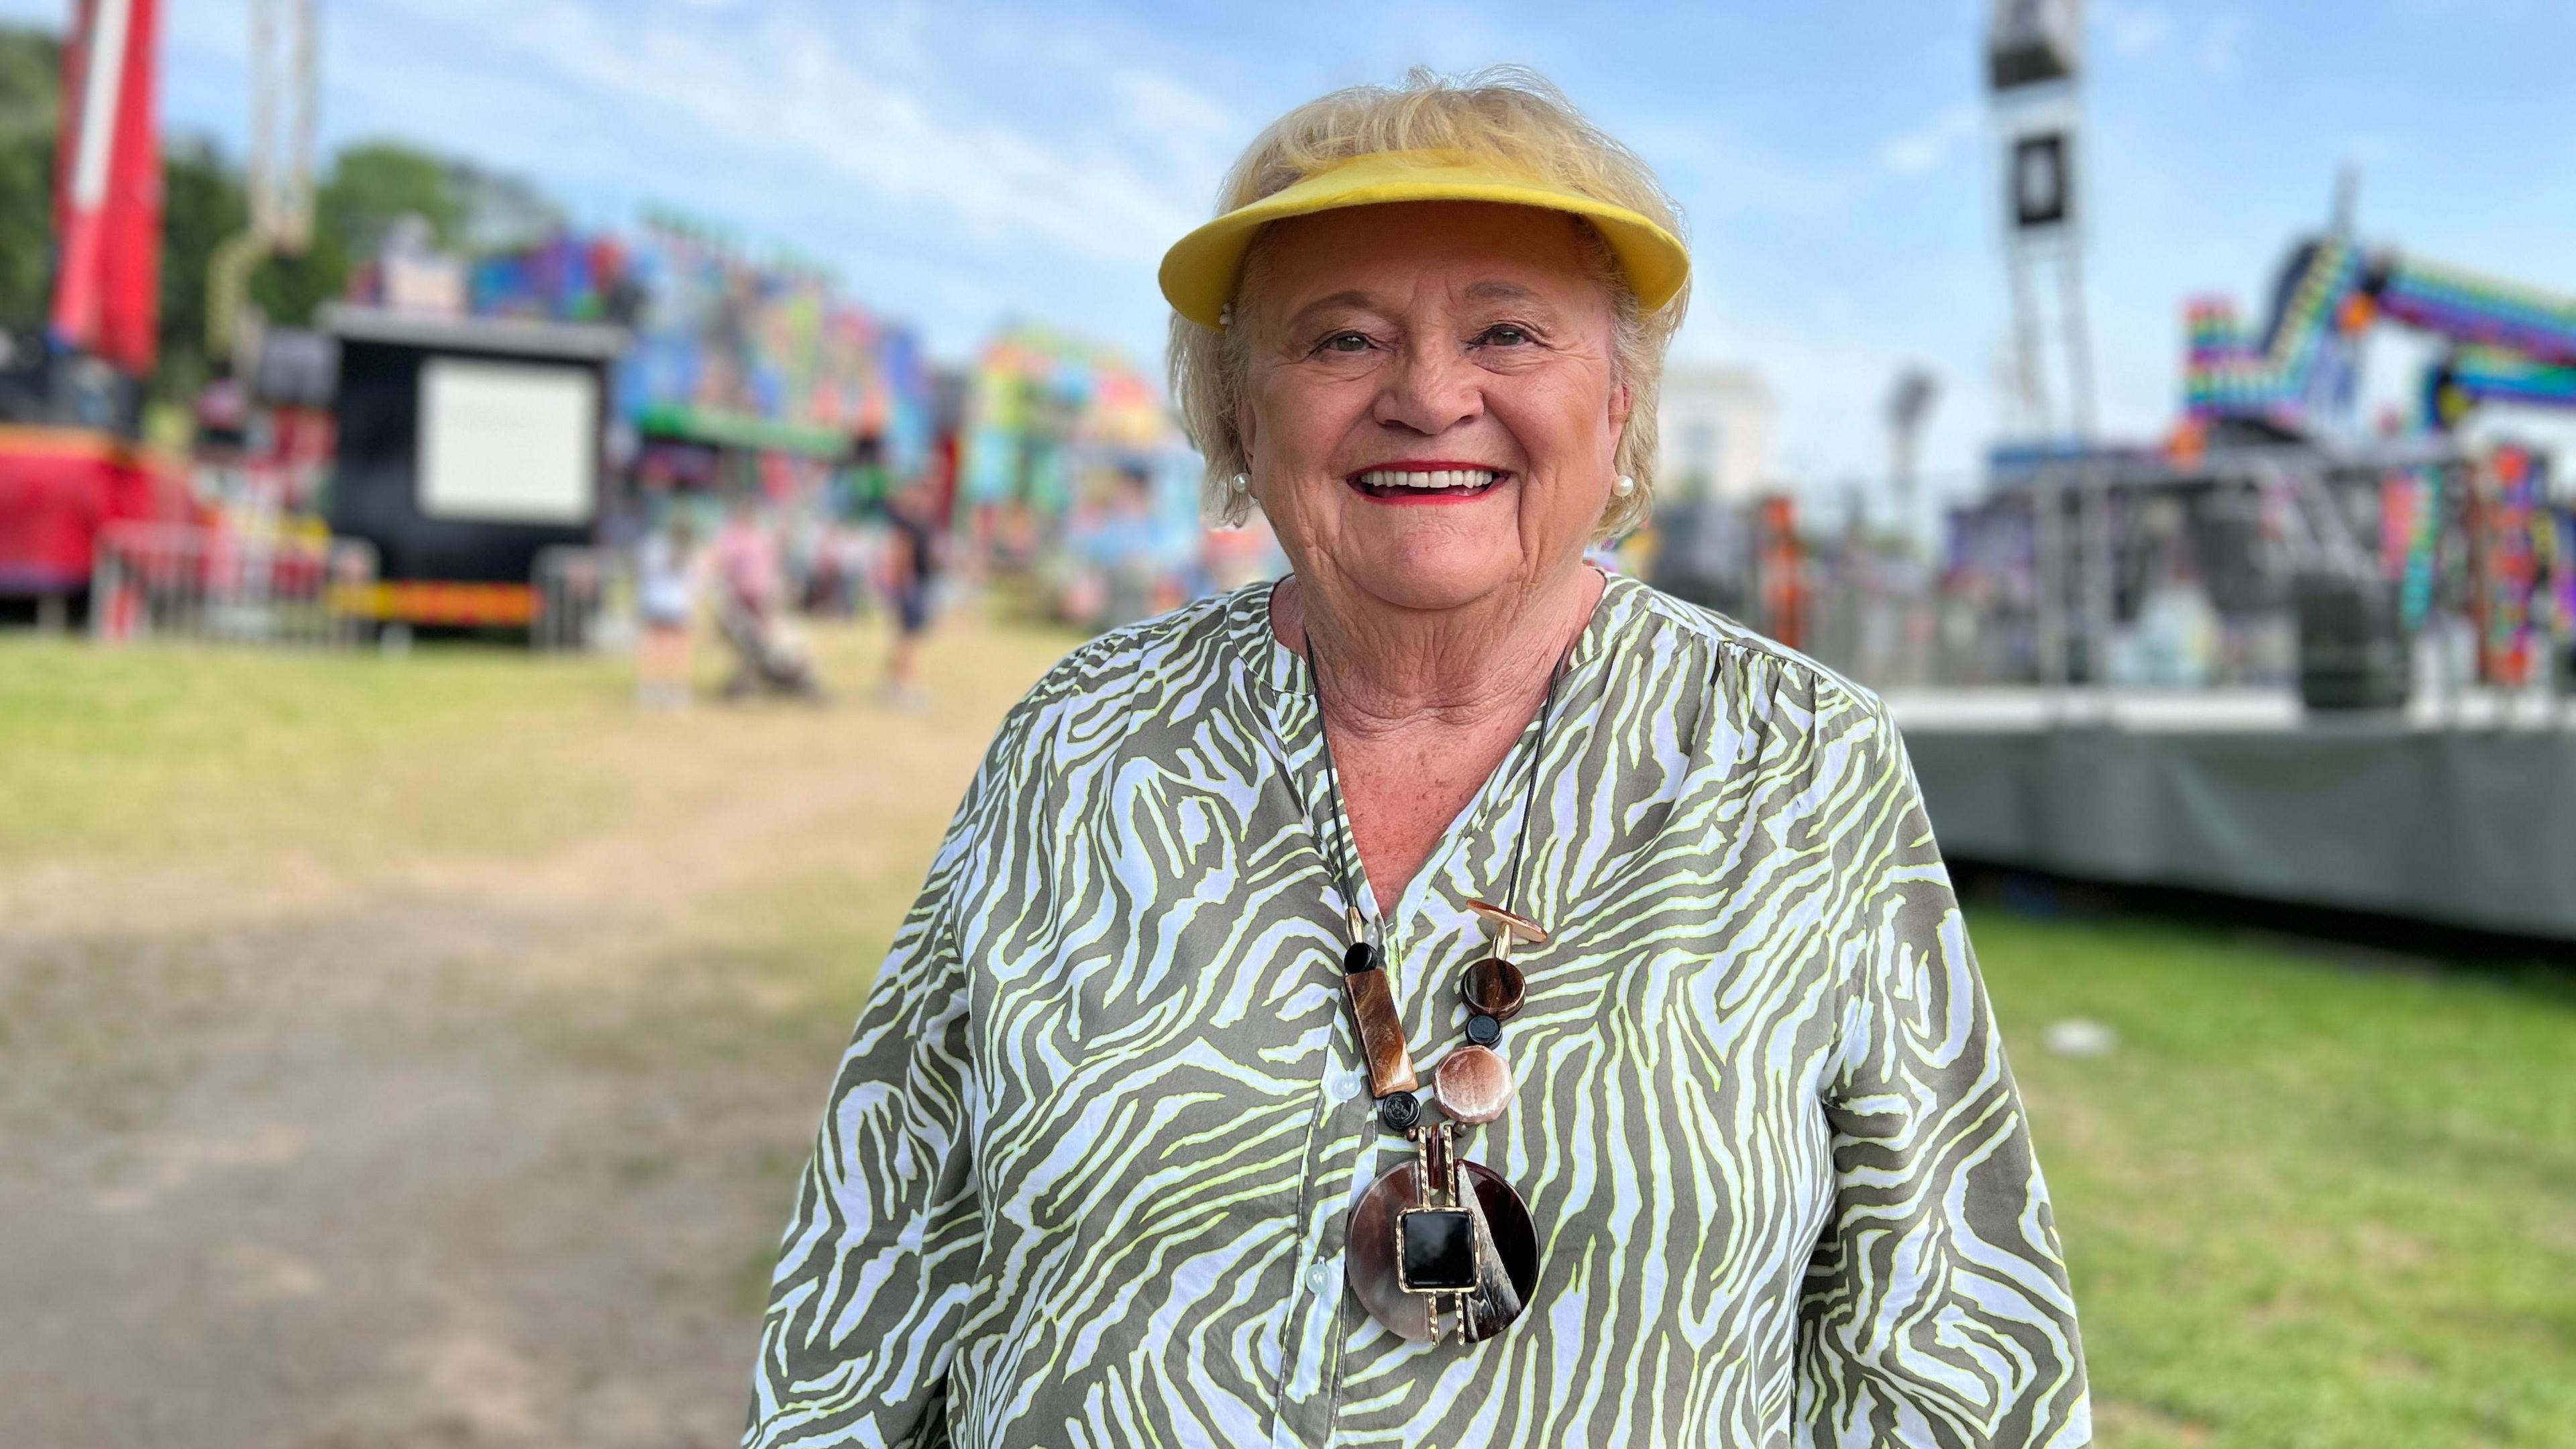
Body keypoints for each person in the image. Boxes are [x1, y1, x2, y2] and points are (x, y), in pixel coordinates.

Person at [746, 68, 2087, 1448]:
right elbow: (878, 1249)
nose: (1431, 397)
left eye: (1510, 332)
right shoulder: (1082, 739)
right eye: (1340, 342)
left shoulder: (1799, 758)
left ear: (1618, 402)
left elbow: (1952, 1344)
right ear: (1238, 412)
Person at [877, 479, 941, 710]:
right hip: (913, 585)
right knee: (909, 639)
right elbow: (902, 554)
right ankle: (906, 685)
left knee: (905, 638)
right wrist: (904, 583)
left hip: (918, 584)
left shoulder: (920, 523)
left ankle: (894, 683)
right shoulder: (910, 525)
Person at [634, 510, 699, 709]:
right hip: (675, 603)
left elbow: (642, 570)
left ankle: (652, 688)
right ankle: (674, 689)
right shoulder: (685, 550)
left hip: (656, 601)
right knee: (675, 648)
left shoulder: (654, 545)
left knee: (654, 647)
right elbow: (694, 580)